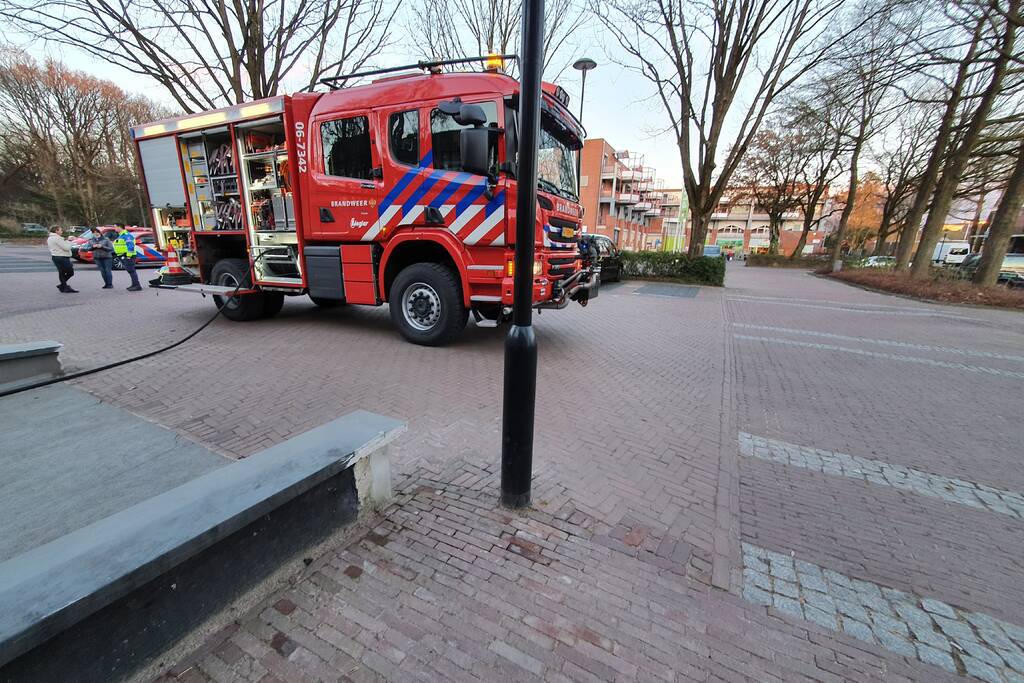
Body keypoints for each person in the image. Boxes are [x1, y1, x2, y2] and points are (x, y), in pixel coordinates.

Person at [46, 225, 77, 293]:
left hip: (55, 257)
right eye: (60, 230)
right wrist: (71, 241)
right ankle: (63, 286)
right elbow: (66, 247)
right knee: (70, 272)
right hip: (62, 257)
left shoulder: (50, 238)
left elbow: (61, 245)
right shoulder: (57, 238)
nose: (62, 231)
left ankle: (64, 286)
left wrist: (67, 240)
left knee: (62, 272)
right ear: (56, 231)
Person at [113, 223, 142, 291]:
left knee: (131, 270)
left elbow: (130, 246)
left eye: (115, 227)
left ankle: (137, 285)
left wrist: (128, 256)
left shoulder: (126, 235)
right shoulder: (121, 235)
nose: (115, 229)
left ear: (120, 227)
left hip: (127, 255)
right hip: (123, 255)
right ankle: (134, 284)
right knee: (130, 271)